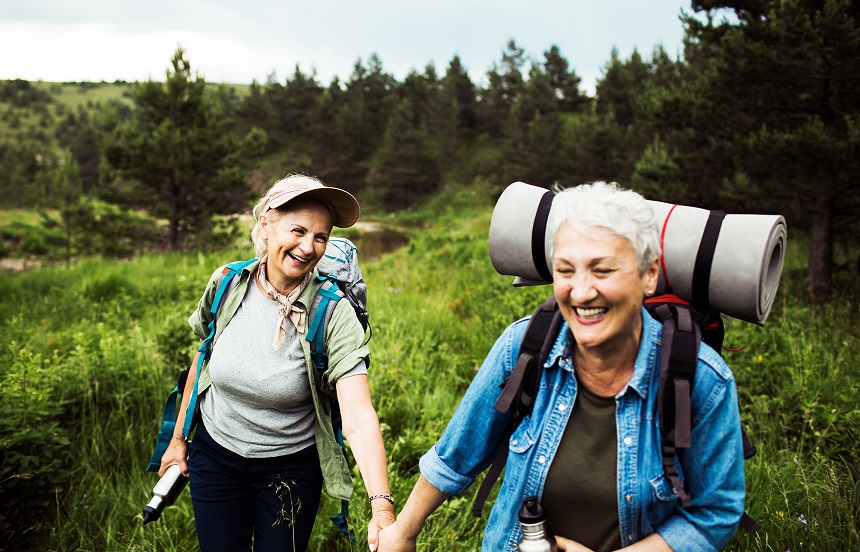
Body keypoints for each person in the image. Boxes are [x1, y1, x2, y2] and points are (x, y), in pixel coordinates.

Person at [377, 181, 745, 552]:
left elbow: (715, 511)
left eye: (602, 270)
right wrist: (403, 532)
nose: (582, 292)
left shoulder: (701, 380)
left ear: (649, 274)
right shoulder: (523, 347)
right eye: (566, 271)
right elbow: (457, 453)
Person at [158, 174, 394, 552]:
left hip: (290, 471)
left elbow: (359, 417)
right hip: (215, 457)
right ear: (266, 225)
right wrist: (177, 440)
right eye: (298, 230)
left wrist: (381, 508)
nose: (309, 247)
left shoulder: (333, 313)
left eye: (321, 236)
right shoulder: (227, 283)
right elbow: (202, 361)